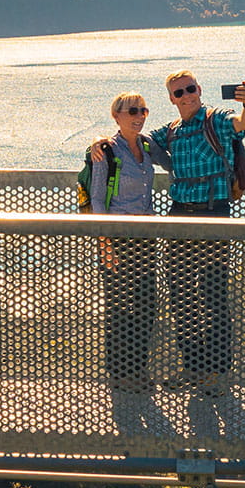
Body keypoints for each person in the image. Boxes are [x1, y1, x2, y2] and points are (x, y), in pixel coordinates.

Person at [99, 70, 245, 394]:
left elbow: (243, 123)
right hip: (179, 216)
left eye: (190, 89)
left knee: (213, 296)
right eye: (178, 93)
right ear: (171, 99)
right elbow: (133, 139)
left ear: (199, 89)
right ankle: (194, 368)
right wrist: (101, 142)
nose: (186, 96)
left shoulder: (217, 119)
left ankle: (216, 374)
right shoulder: (169, 132)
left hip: (214, 213)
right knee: (181, 297)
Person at [88, 92, 168, 391]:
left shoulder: (147, 146)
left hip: (145, 238)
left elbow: (174, 164)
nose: (139, 115)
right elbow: (97, 199)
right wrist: (105, 245)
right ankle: (120, 373)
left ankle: (138, 368)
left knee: (145, 305)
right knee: (120, 308)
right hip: (117, 239)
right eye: (132, 111)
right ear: (116, 116)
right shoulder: (106, 151)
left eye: (143, 110)